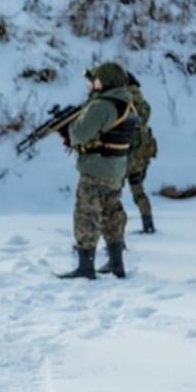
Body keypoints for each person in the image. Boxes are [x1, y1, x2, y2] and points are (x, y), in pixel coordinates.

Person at [58, 61, 137, 280]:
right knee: (113, 214)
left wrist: (69, 130)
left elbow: (79, 134)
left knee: (87, 215)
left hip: (95, 169)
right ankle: (116, 262)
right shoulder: (127, 104)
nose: (92, 84)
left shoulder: (101, 105)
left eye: (96, 80)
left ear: (107, 82)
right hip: (116, 169)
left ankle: (85, 267)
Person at [124, 72, 157, 234]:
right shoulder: (144, 104)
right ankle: (148, 223)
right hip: (141, 155)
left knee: (112, 194)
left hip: (124, 154)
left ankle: (115, 236)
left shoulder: (122, 101)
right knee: (138, 189)